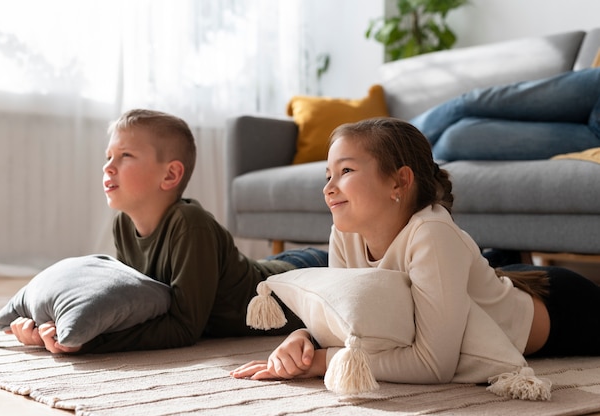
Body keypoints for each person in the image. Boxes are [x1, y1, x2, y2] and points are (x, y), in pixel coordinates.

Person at [231, 117, 600, 383]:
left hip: (563, 307)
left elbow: (432, 364)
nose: (329, 187)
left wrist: (324, 362)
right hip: (500, 284)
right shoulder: (345, 232)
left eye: (345, 171)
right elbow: (348, 324)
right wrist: (303, 339)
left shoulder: (431, 233)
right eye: (327, 175)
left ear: (399, 181)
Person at [7, 109, 327, 354]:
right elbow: (133, 304)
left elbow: (185, 327)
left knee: (365, 275)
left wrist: (90, 341)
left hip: (301, 278)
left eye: (125, 156)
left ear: (170, 174)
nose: (107, 166)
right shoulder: (123, 222)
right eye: (108, 157)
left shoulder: (191, 224)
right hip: (280, 265)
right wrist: (51, 325)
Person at [410, 67, 600, 161]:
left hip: (595, 136)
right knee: (470, 101)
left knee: (455, 138)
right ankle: (394, 138)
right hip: (596, 85)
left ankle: (398, 150)